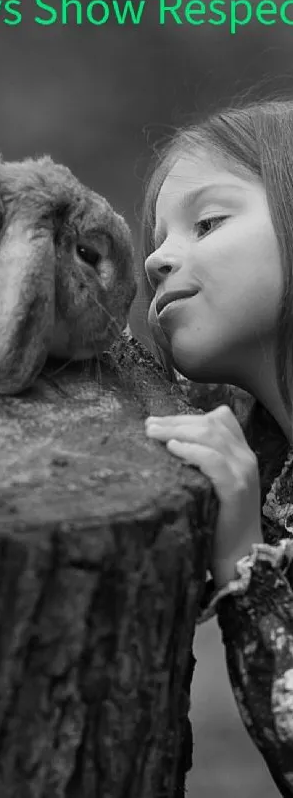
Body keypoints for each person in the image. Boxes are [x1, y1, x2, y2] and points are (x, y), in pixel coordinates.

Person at [136, 98, 293, 796]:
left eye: (205, 222)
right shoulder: (261, 461)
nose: (155, 257)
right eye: (157, 239)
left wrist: (243, 569)